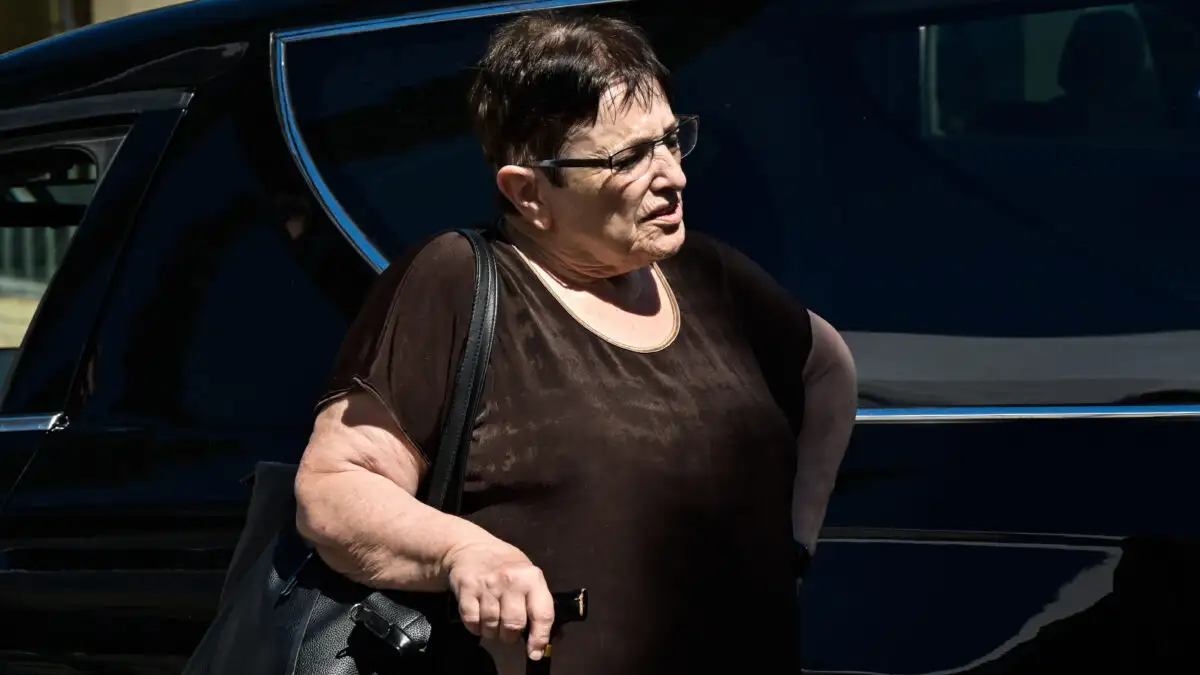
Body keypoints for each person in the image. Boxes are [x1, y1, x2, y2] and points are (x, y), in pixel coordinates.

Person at [293, 11, 857, 675]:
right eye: (629, 158)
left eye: (671, 140)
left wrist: (795, 545)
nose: (674, 175)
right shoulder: (455, 281)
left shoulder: (708, 277)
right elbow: (334, 490)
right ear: (529, 192)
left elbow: (825, 367)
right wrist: (463, 551)